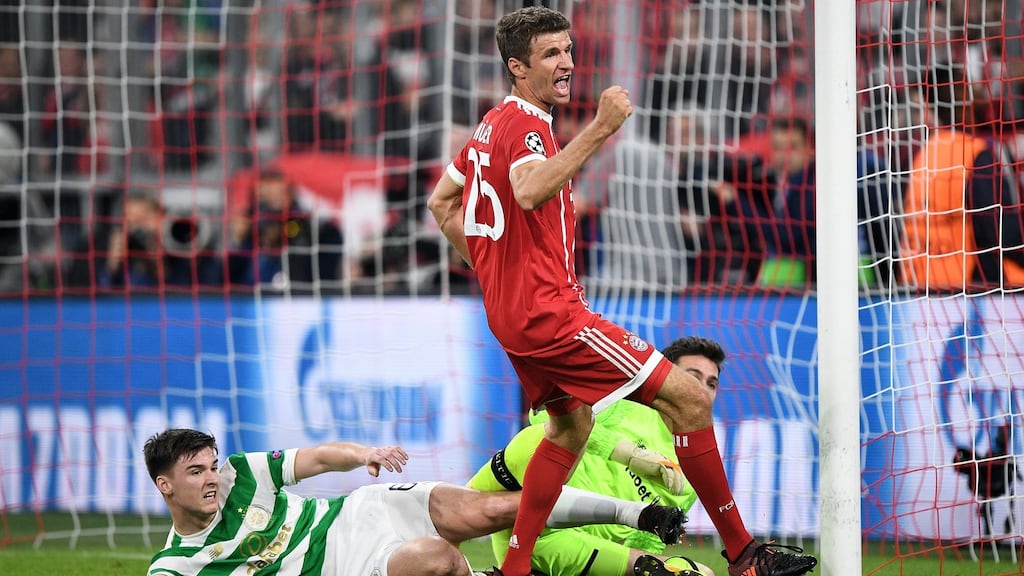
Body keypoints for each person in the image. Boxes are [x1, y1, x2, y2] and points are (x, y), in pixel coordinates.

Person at [426, 7, 817, 576]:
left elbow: (441, 203)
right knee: (690, 399)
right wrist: (603, 127)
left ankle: (515, 570)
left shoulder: (490, 126)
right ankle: (745, 554)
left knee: (570, 427)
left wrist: (496, 272)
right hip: (551, 314)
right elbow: (530, 189)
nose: (566, 64)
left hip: (511, 316)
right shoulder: (527, 126)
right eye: (550, 55)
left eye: (567, 49)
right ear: (517, 67)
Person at [143, 428, 687, 576]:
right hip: (346, 568)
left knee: (484, 508)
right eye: (195, 472)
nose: (212, 479)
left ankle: (639, 514)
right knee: (438, 557)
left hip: (355, 513)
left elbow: (312, 459)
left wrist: (364, 453)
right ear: (165, 485)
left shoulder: (239, 473)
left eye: (211, 465)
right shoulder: (175, 568)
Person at [468, 336, 736, 576]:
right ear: (669, 378)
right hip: (534, 528)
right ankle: (455, 511)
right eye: (692, 377)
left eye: (711, 384)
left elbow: (646, 543)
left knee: (698, 573)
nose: (702, 390)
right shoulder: (623, 404)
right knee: (536, 439)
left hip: (585, 557)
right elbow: (541, 416)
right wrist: (626, 452)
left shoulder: (691, 467)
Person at [899, 62, 1024, 292]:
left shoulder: (915, 160)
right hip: (977, 293)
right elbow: (1002, 235)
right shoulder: (978, 155)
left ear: (927, 110)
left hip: (918, 290)